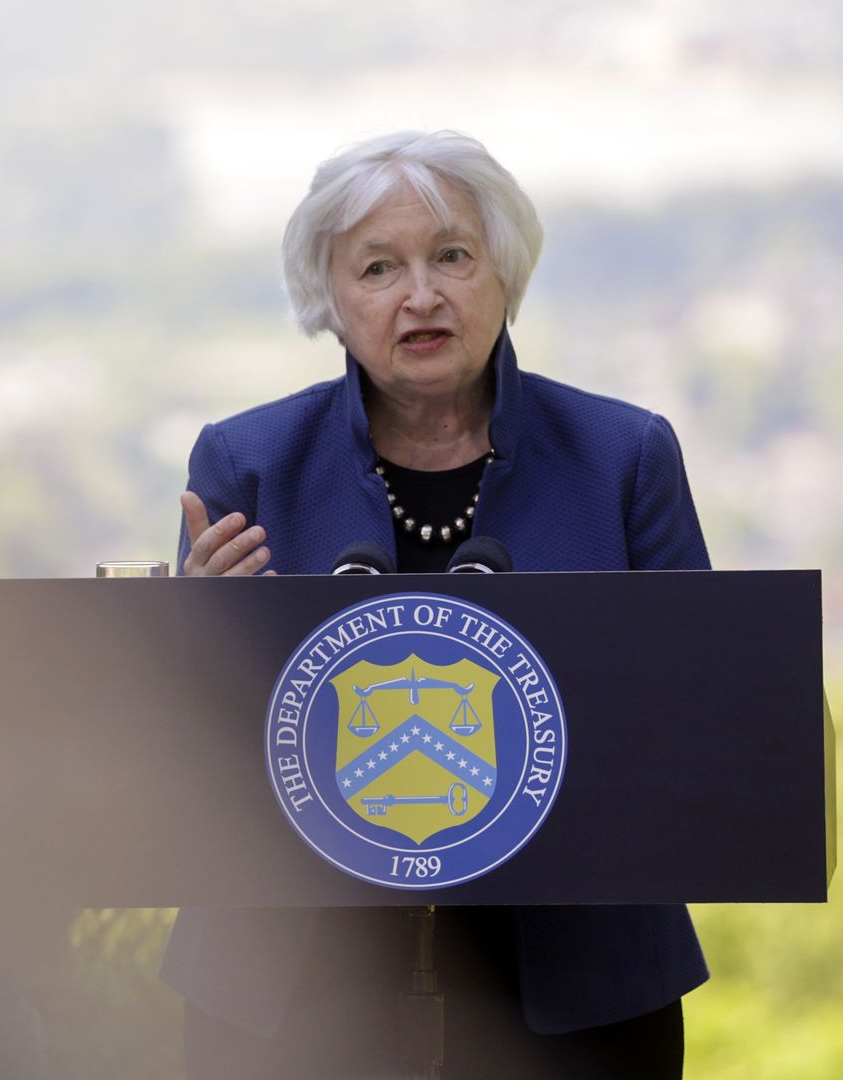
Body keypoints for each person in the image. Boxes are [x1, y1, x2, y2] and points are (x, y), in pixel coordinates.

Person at [161, 131, 709, 1078]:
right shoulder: (245, 464)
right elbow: (173, 745)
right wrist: (186, 640)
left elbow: (706, 707)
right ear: (330, 298)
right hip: (292, 992)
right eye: (379, 267)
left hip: (577, 989)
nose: (420, 295)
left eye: (452, 256)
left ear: (505, 274)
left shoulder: (623, 459)